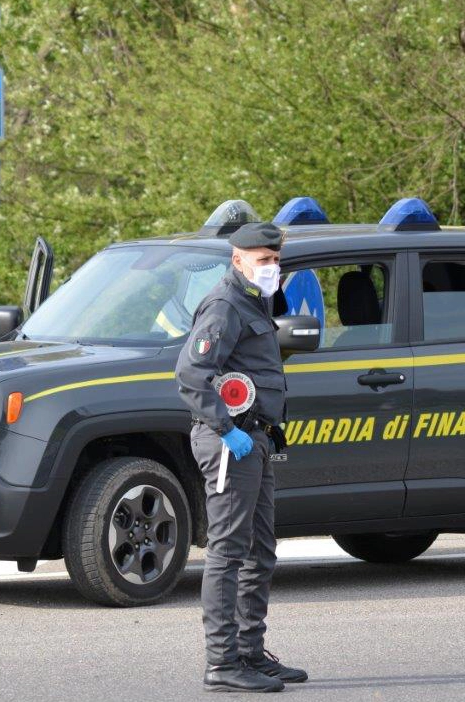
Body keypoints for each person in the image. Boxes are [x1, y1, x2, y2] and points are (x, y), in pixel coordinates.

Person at [177, 217, 307, 692]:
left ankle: (250, 653)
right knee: (229, 552)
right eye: (263, 260)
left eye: (275, 260)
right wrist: (226, 428)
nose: (272, 267)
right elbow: (192, 375)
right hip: (232, 443)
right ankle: (222, 662)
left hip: (256, 440)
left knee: (260, 551)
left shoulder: (254, 299)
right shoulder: (225, 305)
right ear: (238, 259)